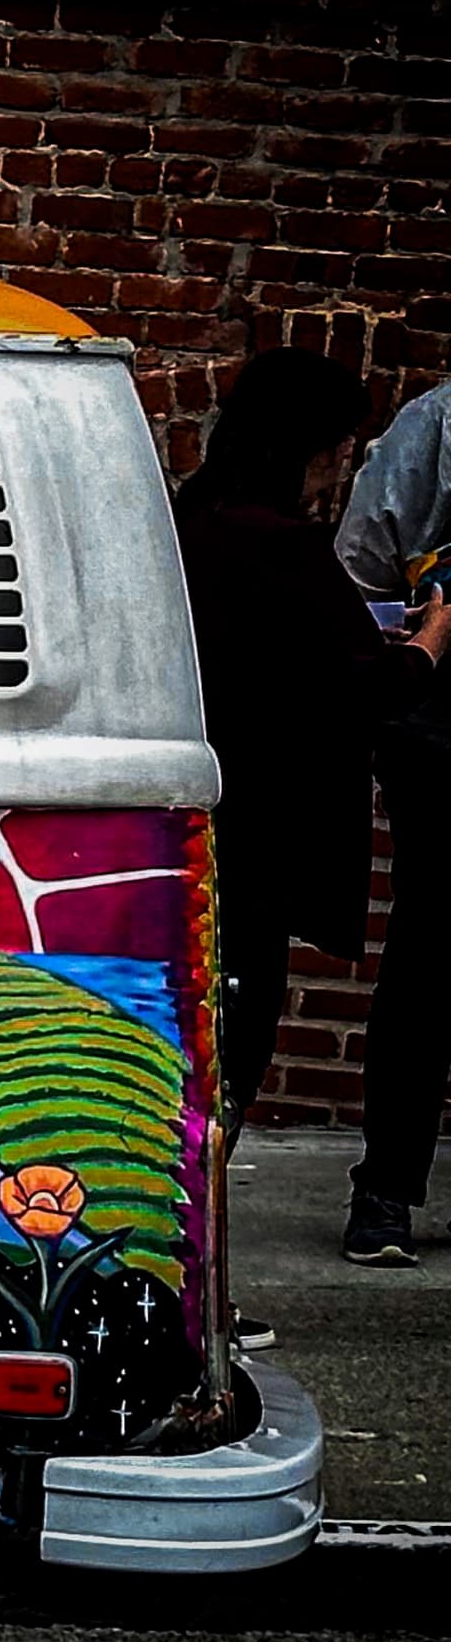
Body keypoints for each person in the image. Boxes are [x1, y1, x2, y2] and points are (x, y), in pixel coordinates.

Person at [177, 352, 451, 1284]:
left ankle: (187, 1276)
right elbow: (361, 684)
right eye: (338, 449)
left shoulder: (190, 520)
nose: (344, 468)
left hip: (203, 816)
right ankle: (197, 1289)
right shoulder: (281, 544)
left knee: (196, 1046)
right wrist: (428, 645)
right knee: (236, 1049)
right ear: (310, 447)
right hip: (265, 830)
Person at [335, 371, 451, 1262]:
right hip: (438, 725)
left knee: (427, 954)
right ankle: (383, 1193)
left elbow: (363, 562)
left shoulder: (440, 418)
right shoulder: (438, 418)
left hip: (437, 724)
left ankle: (384, 1199)